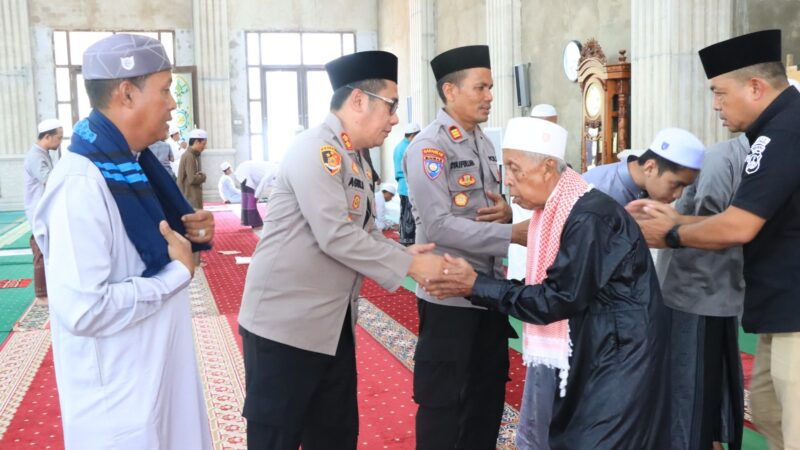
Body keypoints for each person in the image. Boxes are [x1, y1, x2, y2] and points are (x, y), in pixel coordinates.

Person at [237, 50, 443, 450]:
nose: (396, 118)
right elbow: (334, 234)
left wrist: (407, 253)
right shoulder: (317, 149)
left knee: (334, 435)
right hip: (284, 327)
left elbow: (361, 231)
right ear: (359, 100)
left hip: (332, 326)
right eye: (392, 106)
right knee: (276, 437)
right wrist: (409, 266)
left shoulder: (356, 159)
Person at [426, 117, 669, 449]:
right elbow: (555, 286)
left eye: (514, 168)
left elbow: (555, 299)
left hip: (618, 360)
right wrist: (477, 285)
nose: (507, 181)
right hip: (600, 348)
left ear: (548, 168)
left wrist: (475, 285)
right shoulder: (564, 209)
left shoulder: (588, 218)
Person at [31, 33, 214, 450]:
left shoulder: (135, 165)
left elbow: (159, 247)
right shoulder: (81, 183)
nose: (173, 104)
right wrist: (175, 274)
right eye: (165, 90)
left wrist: (191, 234)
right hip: (119, 406)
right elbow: (85, 309)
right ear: (126, 93)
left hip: (157, 377)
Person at [627, 29, 800, 449]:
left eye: (720, 93)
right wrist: (680, 222)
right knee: (768, 411)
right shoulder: (770, 132)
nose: (716, 106)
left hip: (792, 311)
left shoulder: (786, 132)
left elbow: (738, 225)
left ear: (756, 86)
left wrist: (671, 232)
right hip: (777, 308)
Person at [403, 45, 528, 450]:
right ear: (451, 91)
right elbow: (440, 226)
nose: (490, 95)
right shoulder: (429, 148)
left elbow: (486, 210)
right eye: (481, 87)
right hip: (449, 297)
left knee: (486, 398)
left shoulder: (483, 143)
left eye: (490, 87)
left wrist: (507, 214)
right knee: (445, 404)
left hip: (488, 292)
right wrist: (514, 234)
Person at [657, 134, 748, 450]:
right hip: (693, 294)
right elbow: (710, 226)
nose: (716, 106)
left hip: (723, 295)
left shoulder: (766, 156)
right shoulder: (721, 157)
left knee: (710, 387)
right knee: (690, 390)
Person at [583, 127, 704, 205]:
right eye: (676, 185)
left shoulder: (645, 189)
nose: (678, 195)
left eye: (685, 187)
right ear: (649, 168)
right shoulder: (597, 192)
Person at [23, 118, 63, 304]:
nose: (60, 142)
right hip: (38, 209)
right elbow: (48, 180)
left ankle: (47, 289)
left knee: (47, 248)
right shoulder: (36, 156)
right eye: (58, 138)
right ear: (47, 137)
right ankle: (41, 295)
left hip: (43, 208)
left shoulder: (42, 153)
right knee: (39, 247)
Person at [393, 122, 420, 245]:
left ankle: (404, 238)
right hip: (407, 186)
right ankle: (408, 241)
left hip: (403, 185)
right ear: (414, 135)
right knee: (409, 216)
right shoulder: (409, 147)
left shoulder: (399, 146)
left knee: (404, 214)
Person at [234, 160, 281, 229]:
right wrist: (256, 196)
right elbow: (263, 182)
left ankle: (247, 221)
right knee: (251, 199)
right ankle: (255, 222)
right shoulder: (274, 170)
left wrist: (257, 195)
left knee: (246, 199)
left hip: (243, 171)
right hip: (245, 171)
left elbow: (270, 183)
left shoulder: (276, 169)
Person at [177, 128, 207, 210]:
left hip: (189, 194)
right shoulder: (189, 156)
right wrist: (203, 176)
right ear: (197, 142)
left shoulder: (192, 155)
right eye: (203, 144)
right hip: (190, 196)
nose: (204, 147)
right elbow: (192, 179)